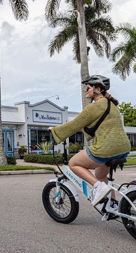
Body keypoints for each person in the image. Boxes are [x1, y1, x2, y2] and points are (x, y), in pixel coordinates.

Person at [49, 75, 130, 208]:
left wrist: (54, 131)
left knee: (73, 163)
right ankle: (112, 204)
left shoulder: (96, 106)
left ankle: (98, 188)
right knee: (100, 175)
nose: (85, 90)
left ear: (97, 89)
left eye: (88, 87)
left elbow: (75, 124)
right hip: (123, 148)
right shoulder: (112, 105)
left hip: (106, 148)